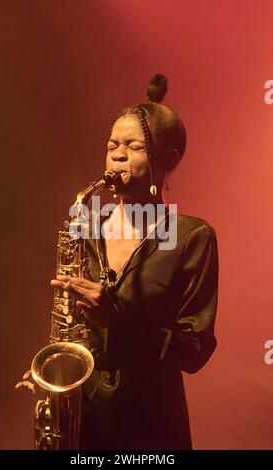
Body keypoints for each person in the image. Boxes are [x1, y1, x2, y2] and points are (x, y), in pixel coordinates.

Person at [16, 74, 219, 450]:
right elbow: (71, 325)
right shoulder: (86, 226)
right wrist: (52, 369)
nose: (117, 155)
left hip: (150, 427)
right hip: (84, 416)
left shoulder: (192, 237)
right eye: (112, 145)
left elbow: (195, 351)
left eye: (133, 146)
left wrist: (118, 320)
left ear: (167, 160)